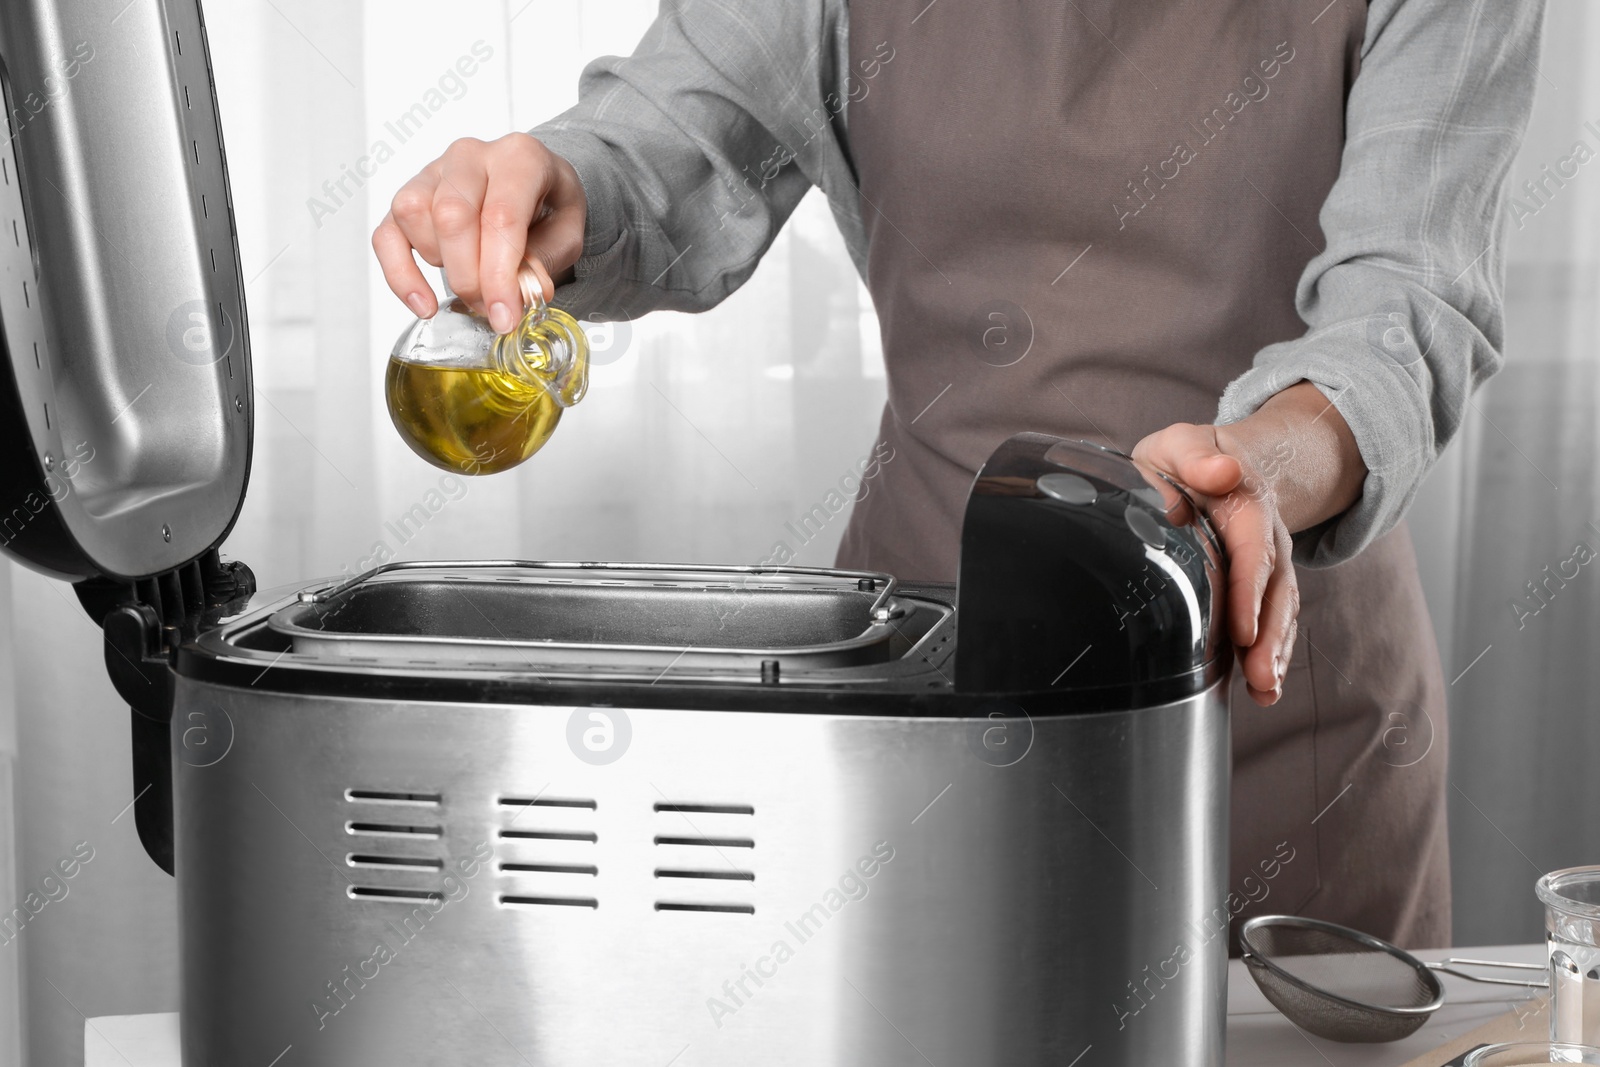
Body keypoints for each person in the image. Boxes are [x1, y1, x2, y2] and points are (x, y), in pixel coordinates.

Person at [373, 0, 1545, 949]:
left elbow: (1407, 302)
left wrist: (1260, 467)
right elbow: (660, 153)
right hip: (931, 686)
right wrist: (554, 188)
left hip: (1276, 694)